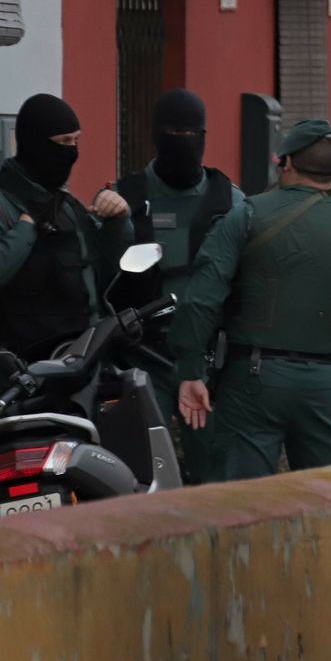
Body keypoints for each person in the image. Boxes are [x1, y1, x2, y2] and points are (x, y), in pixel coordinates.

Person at [168, 119, 331, 480]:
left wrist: (191, 371)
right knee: (330, 495)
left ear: (287, 162)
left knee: (240, 499)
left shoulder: (247, 214)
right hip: (328, 382)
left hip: (253, 381)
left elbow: (201, 300)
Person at [0, 93, 133, 409]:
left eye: (76, 141)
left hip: (78, 371)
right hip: (17, 380)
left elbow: (101, 276)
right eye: (63, 141)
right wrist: (26, 227)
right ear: (35, 143)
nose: (71, 152)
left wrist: (119, 223)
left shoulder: (67, 206)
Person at [109, 89, 245, 483]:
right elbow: (103, 274)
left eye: (192, 133)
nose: (184, 142)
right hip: (142, 354)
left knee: (213, 475)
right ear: (156, 135)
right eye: (174, 132)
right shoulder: (127, 197)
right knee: (138, 469)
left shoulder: (229, 200)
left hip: (207, 360)